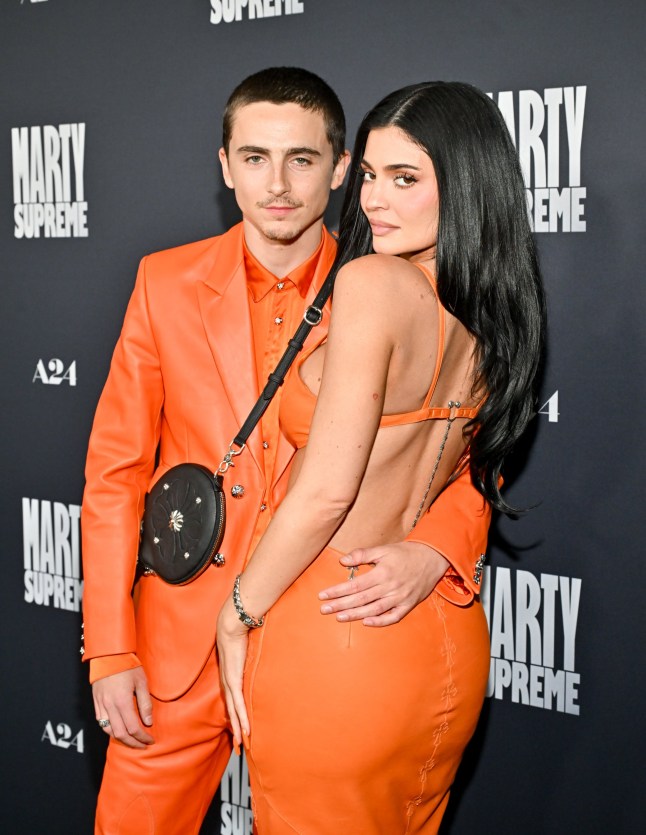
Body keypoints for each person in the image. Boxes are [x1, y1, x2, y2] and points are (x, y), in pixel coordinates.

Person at [81, 69, 492, 835]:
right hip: (180, 652)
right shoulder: (163, 284)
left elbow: (469, 458)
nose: (277, 183)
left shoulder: (387, 283)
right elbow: (115, 475)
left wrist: (436, 547)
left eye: (302, 159)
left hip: (326, 638)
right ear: (224, 165)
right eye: (255, 157)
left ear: (339, 170)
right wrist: (110, 649)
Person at [217, 80, 546, 834]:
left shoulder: (370, 283)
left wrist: (237, 612)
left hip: (333, 637)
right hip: (440, 644)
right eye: (368, 175)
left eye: (406, 179)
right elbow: (461, 474)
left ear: (462, 187)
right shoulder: (494, 315)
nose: (374, 201)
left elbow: (328, 491)